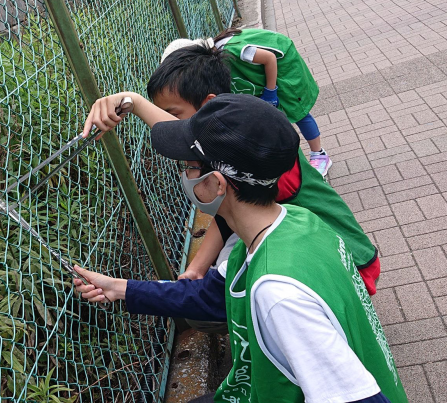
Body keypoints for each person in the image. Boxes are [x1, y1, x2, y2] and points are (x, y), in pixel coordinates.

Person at [75, 95, 408, 403]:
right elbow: (210, 295)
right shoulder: (292, 220)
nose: (184, 175)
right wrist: (119, 288)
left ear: (218, 184)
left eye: (189, 167)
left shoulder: (278, 294)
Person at [83, 45, 380, 301]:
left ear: (209, 104)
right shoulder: (236, 141)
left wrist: (133, 101)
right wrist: (196, 269)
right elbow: (230, 218)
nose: (174, 126)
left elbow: (191, 141)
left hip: (350, 264)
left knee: (234, 294)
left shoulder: (258, 153)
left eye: (175, 114)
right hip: (321, 248)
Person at [162, 28, 331, 177]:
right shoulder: (210, 68)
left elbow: (269, 58)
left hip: (282, 66)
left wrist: (270, 92)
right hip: (261, 77)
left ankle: (319, 154)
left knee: (297, 110)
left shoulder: (233, 51)